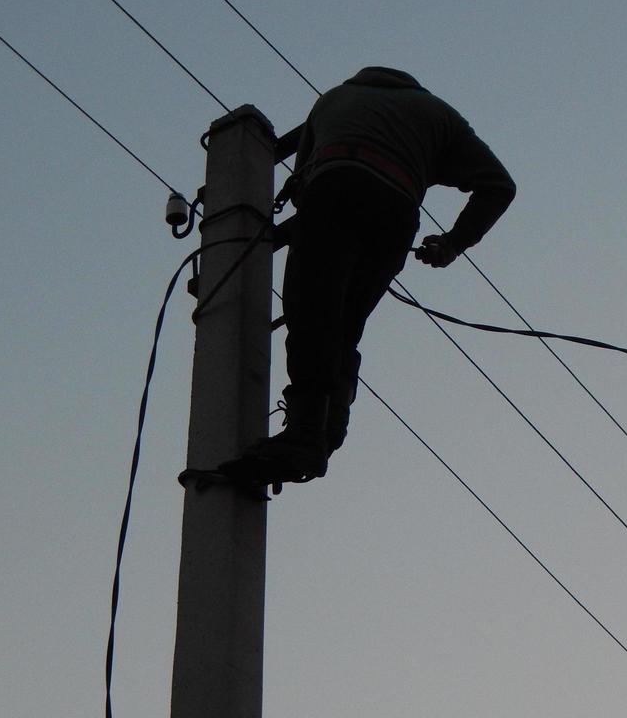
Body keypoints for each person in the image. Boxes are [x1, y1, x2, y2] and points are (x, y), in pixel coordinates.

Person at [221, 66, 516, 483]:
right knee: (344, 324)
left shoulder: (333, 100)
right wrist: (453, 243)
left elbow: (307, 186)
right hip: (395, 212)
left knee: (313, 313)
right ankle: (330, 426)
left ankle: (306, 434)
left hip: (334, 187)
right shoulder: (439, 115)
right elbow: (498, 184)